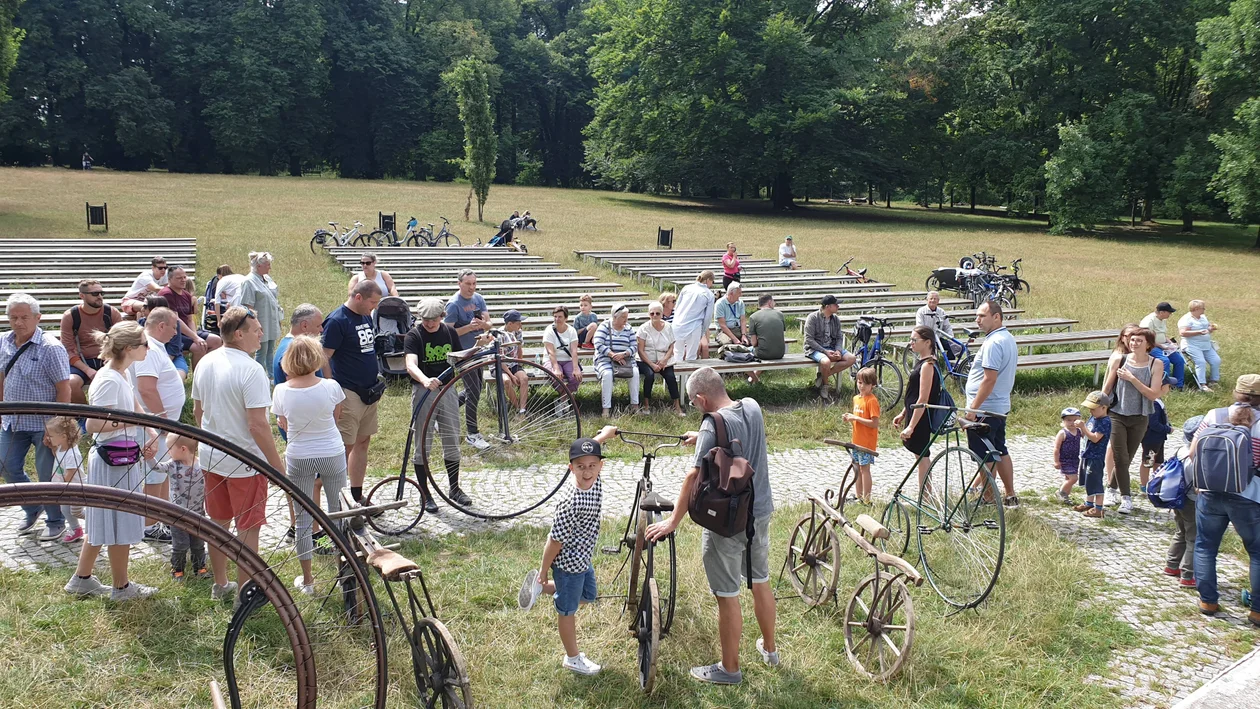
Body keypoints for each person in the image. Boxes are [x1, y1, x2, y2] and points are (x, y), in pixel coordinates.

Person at [645, 367, 777, 685]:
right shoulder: (751, 406)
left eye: (693, 402)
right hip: (759, 511)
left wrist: (672, 522)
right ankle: (770, 650)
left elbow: (692, 476)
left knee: (727, 593)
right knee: (760, 579)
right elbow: (734, 439)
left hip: (729, 519)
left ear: (702, 399)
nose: (694, 406)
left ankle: (729, 669)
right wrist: (702, 439)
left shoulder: (709, 424)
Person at [192, 306, 285, 603]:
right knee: (248, 528)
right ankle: (245, 594)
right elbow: (258, 424)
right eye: (256, 329)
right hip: (245, 461)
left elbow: (198, 412)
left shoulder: (206, 361)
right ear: (239, 333)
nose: (261, 333)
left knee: (218, 524)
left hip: (211, 455)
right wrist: (277, 466)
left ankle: (220, 584)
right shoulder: (251, 369)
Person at [65, 321, 161, 601]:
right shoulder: (108, 379)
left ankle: (81, 579)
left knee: (101, 518)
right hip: (113, 460)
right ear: (129, 348)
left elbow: (133, 406)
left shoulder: (121, 373)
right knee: (119, 521)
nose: (148, 347)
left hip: (122, 454)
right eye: (144, 343)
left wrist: (149, 431)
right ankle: (121, 587)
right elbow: (94, 424)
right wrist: (130, 423)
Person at [517, 426, 620, 675]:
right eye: (581, 466)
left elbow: (589, 449)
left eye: (592, 465)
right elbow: (554, 541)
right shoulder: (571, 502)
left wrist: (604, 435)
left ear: (600, 466)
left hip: (584, 557)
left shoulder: (593, 478)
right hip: (569, 564)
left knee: (589, 596)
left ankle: (542, 589)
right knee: (568, 610)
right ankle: (572, 658)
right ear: (571, 467)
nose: (587, 471)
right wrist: (543, 570)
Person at [272, 335, 349, 595]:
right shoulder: (331, 386)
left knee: (303, 518)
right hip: (331, 451)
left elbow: (282, 423)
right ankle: (343, 573)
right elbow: (336, 417)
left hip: (299, 455)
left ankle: (307, 580)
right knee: (338, 513)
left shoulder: (281, 390)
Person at [1189, 374, 1260, 626]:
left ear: (1236, 392)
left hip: (1209, 491)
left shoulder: (1214, 415)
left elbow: (1192, 451)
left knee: (1206, 546)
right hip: (1249, 495)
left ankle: (1208, 601)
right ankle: (1257, 611)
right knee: (1257, 552)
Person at [1, 293, 72, 541]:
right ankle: (32, 507)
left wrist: (57, 426)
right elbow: (2, 378)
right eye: (13, 317)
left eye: (24, 317)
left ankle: (55, 520)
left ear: (37, 318)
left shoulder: (51, 347)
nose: (18, 322)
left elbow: (64, 388)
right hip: (12, 421)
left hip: (44, 424)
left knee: (46, 475)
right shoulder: (4, 341)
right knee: (6, 465)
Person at [405, 298, 485, 513]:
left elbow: (460, 359)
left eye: (433, 319)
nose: (429, 324)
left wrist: (479, 347)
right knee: (423, 442)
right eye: (425, 320)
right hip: (424, 391)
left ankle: (454, 488)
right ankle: (426, 493)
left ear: (442, 316)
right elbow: (410, 364)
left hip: (447, 389)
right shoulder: (415, 335)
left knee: (451, 438)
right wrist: (424, 380)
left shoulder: (449, 333)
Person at [322, 280, 383, 503]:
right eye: (372, 302)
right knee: (343, 446)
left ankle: (356, 494)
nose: (374, 307)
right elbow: (324, 356)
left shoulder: (365, 315)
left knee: (362, 442)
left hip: (369, 392)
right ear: (359, 297)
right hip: (347, 393)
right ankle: (334, 497)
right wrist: (332, 389)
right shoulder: (337, 320)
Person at [132, 308, 187, 542]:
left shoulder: (154, 347)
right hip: (154, 425)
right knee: (154, 474)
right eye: (174, 327)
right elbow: (146, 388)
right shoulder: (151, 349)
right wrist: (161, 419)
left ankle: (161, 518)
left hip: (159, 424)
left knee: (162, 472)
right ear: (161, 326)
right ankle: (149, 525)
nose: (176, 333)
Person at [1101, 327, 1164, 514]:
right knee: (1120, 457)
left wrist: (1131, 378)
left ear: (1149, 345)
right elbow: (1106, 388)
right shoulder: (1120, 360)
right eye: (1133, 340)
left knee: (1127, 458)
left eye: (1139, 341)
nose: (1134, 343)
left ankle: (1111, 489)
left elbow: (1153, 394)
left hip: (1140, 416)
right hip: (1117, 414)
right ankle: (1126, 498)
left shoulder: (1156, 364)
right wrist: (1098, 411)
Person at [964, 300, 1019, 508]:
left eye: (982, 316)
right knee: (999, 450)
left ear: (996, 317)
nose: (977, 320)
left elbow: (989, 378)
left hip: (986, 408)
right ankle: (1010, 494)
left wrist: (973, 409)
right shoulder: (1007, 338)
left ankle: (988, 498)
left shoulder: (994, 342)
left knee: (984, 455)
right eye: (977, 316)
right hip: (998, 406)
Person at [445, 269, 492, 451]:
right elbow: (447, 333)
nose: (472, 287)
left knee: (475, 389)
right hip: (462, 353)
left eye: (474, 283)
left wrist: (483, 326)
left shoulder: (478, 299)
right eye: (468, 284)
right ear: (459, 284)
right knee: (473, 391)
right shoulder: (453, 305)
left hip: (478, 350)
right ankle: (472, 433)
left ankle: (443, 413)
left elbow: (489, 323)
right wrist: (468, 328)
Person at [151, 434, 207, 581]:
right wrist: (149, 457)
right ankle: (177, 569)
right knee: (180, 545)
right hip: (177, 515)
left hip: (198, 514)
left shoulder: (202, 467)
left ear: (183, 449)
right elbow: (157, 467)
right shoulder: (172, 465)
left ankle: (200, 567)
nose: (168, 451)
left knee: (198, 544)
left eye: (170, 448)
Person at [893, 326, 942, 483]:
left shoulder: (928, 365)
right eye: (910, 339)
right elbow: (913, 393)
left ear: (927, 342)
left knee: (922, 457)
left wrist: (911, 426)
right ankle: (925, 496)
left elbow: (922, 399)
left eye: (914, 340)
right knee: (919, 456)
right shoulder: (922, 361)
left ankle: (925, 497)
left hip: (921, 418)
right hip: (914, 413)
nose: (911, 343)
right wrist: (903, 413)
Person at [60, 280, 119, 405]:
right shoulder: (71, 316)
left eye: (102, 293)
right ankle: (85, 417)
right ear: (82, 296)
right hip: (81, 361)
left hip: (108, 358)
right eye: (95, 293)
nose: (100, 297)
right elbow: (68, 350)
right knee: (71, 382)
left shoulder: (111, 313)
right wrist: (88, 370)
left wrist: (113, 359)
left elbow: (122, 340)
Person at [1163, 417, 1202, 589]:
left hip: (1177, 498)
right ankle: (1188, 575)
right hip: (1192, 501)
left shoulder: (1180, 450)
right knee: (1193, 538)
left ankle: (1171, 566)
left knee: (1180, 532)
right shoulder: (1197, 457)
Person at [158, 266, 220, 372]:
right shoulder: (166, 294)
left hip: (187, 331)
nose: (183, 280)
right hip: (174, 333)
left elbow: (190, 319)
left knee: (216, 340)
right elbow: (176, 320)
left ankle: (206, 371)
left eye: (184, 277)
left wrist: (195, 335)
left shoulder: (186, 295)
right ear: (170, 279)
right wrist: (195, 338)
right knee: (199, 347)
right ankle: (197, 375)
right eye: (179, 278)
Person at [803, 295, 856, 399]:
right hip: (814, 349)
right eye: (836, 304)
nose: (838, 306)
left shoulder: (835, 319)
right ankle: (825, 385)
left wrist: (838, 350)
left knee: (852, 359)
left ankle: (823, 377)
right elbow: (809, 339)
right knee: (826, 362)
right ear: (828, 307)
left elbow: (839, 337)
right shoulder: (812, 318)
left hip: (831, 347)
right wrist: (824, 351)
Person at [593, 303, 640, 418]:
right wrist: (613, 355)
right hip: (606, 360)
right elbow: (598, 343)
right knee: (608, 374)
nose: (626, 319)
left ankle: (635, 406)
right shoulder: (604, 326)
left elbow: (634, 346)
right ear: (615, 317)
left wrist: (624, 354)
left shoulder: (629, 328)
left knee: (635, 373)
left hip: (625, 360)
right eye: (623, 317)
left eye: (626, 316)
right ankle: (606, 409)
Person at [240, 252, 283, 376]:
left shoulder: (267, 278)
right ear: (259, 266)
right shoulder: (248, 281)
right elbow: (248, 306)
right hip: (261, 321)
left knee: (270, 350)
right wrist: (255, 325)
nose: (270, 267)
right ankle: (257, 376)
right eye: (267, 265)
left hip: (271, 320)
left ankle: (271, 376)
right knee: (261, 351)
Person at [636, 302, 683, 416]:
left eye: (657, 313)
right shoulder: (643, 328)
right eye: (652, 313)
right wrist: (652, 365)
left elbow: (672, 346)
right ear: (649, 314)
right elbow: (640, 350)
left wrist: (664, 360)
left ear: (662, 314)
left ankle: (677, 406)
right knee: (649, 375)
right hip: (646, 359)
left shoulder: (668, 326)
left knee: (671, 377)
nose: (655, 316)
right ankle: (646, 405)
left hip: (664, 358)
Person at [44, 416, 85, 543]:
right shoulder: (60, 448)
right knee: (65, 510)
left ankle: (97, 519)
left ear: (63, 436)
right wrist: (52, 447)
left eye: (51, 436)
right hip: (64, 489)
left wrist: (60, 486)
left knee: (77, 512)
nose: (48, 438)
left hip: (75, 489)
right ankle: (76, 529)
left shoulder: (73, 454)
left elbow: (70, 473)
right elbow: (57, 458)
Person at [843, 367, 880, 504]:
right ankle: (858, 497)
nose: (861, 386)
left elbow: (874, 423)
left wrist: (856, 419)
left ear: (872, 385)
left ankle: (867, 499)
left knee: (865, 470)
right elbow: (856, 418)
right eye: (859, 382)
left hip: (867, 443)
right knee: (856, 469)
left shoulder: (872, 401)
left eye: (865, 383)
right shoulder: (856, 399)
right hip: (856, 441)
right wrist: (849, 418)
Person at [1073, 391, 1112, 519]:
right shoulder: (1093, 418)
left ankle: (1099, 508)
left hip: (1096, 456)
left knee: (1095, 482)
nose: (1091, 411)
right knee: (1088, 481)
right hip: (1087, 453)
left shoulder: (1105, 421)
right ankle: (1089, 503)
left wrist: (1083, 428)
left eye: (1093, 409)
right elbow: (1087, 435)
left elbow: (1095, 438)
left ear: (1104, 408)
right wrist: (1081, 429)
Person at [274, 304, 324, 387]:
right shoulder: (298, 351)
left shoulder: (286, 344)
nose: (321, 329)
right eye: (318, 326)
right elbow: (300, 389)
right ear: (304, 326)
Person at [673, 271, 716, 361]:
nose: (712, 284)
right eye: (712, 282)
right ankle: (687, 375)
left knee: (677, 354)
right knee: (691, 356)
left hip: (678, 324)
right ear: (708, 280)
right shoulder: (709, 294)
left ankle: (677, 375)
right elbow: (708, 317)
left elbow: (677, 307)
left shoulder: (686, 288)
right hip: (694, 326)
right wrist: (703, 331)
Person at [1178, 299, 1221, 392]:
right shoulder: (1186, 319)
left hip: (1206, 345)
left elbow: (1207, 326)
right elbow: (1183, 333)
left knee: (1216, 360)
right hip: (1192, 345)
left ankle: (1214, 381)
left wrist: (1211, 328)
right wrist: (1198, 332)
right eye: (1203, 308)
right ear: (1196, 308)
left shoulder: (1202, 317)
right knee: (1201, 362)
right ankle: (1202, 385)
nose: (1204, 310)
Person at [1141, 302, 1186, 390]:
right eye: (1169, 312)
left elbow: (1163, 335)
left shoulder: (1163, 320)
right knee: (1165, 361)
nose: (1170, 314)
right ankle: (1164, 386)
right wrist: (1161, 346)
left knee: (1179, 360)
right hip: (1151, 346)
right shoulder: (1148, 321)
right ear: (1162, 312)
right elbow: (1146, 339)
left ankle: (1178, 385)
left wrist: (1170, 343)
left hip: (1164, 345)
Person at [543, 306, 582, 398]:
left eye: (560, 317)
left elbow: (574, 351)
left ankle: (562, 398)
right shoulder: (549, 330)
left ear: (566, 318)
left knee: (576, 377)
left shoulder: (571, 330)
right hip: (551, 359)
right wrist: (556, 368)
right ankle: (566, 399)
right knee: (556, 376)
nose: (557, 319)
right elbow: (550, 352)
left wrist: (576, 368)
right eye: (555, 316)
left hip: (567, 359)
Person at [746, 294, 785, 385]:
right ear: (769, 302)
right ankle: (753, 379)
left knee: (743, 354)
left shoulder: (753, 317)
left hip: (763, 354)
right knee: (766, 347)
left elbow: (754, 343)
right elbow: (780, 335)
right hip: (780, 352)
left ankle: (754, 378)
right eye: (774, 301)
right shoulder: (780, 314)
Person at [1139, 395, 1172, 494]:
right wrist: (1168, 429)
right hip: (1151, 438)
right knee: (1148, 462)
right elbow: (1153, 423)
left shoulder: (1159, 401)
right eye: (1168, 386)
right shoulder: (1154, 403)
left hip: (1159, 438)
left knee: (1158, 461)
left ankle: (1155, 484)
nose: (1169, 389)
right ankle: (1144, 485)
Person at [499, 310, 530, 414]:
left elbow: (520, 349)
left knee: (524, 378)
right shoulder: (499, 335)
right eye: (518, 323)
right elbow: (500, 359)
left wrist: (519, 366)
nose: (520, 325)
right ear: (510, 324)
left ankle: (523, 410)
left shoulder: (518, 332)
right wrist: (512, 376)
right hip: (500, 365)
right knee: (507, 381)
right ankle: (516, 407)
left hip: (513, 363)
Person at [1053, 408, 1084, 504]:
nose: (1072, 422)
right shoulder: (1062, 433)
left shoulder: (1079, 431)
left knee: (1068, 479)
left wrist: (1083, 426)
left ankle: (1065, 497)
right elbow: (1056, 448)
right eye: (1068, 420)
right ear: (1063, 421)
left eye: (1075, 420)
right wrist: (1056, 461)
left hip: (1075, 459)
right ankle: (1060, 492)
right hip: (1065, 460)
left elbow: (1085, 435)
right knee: (1073, 479)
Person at [202, 264, 233, 335]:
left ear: (219, 275)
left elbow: (219, 297)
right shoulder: (232, 281)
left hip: (223, 305)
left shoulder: (221, 283)